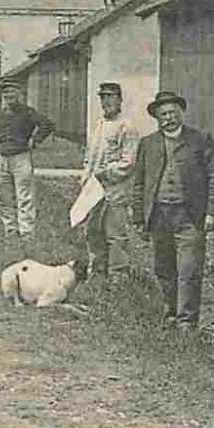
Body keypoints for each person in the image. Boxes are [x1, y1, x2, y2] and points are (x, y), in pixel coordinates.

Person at [129, 91, 214, 331]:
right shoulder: (148, 144)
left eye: (173, 112)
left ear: (181, 113)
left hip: (190, 216)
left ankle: (187, 321)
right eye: (163, 114)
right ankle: (171, 311)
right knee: (163, 268)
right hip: (159, 214)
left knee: (190, 269)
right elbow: (139, 182)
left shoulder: (200, 139)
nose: (169, 118)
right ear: (157, 118)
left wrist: (213, 212)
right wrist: (139, 218)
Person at [77, 82, 138, 286]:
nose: (107, 101)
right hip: (93, 190)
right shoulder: (99, 125)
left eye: (111, 96)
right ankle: (97, 271)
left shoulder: (127, 126)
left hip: (115, 189)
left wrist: (108, 172)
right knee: (93, 230)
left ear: (120, 99)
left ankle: (119, 276)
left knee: (115, 233)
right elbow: (90, 156)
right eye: (103, 97)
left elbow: (129, 162)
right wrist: (85, 177)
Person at [0, 80, 55, 239]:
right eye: (6, 93)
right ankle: (10, 230)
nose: (9, 95)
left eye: (12, 92)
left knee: (24, 196)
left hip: (21, 158)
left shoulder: (27, 112)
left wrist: (35, 139)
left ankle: (26, 232)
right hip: (2, 159)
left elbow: (48, 124)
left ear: (19, 94)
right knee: (3, 196)